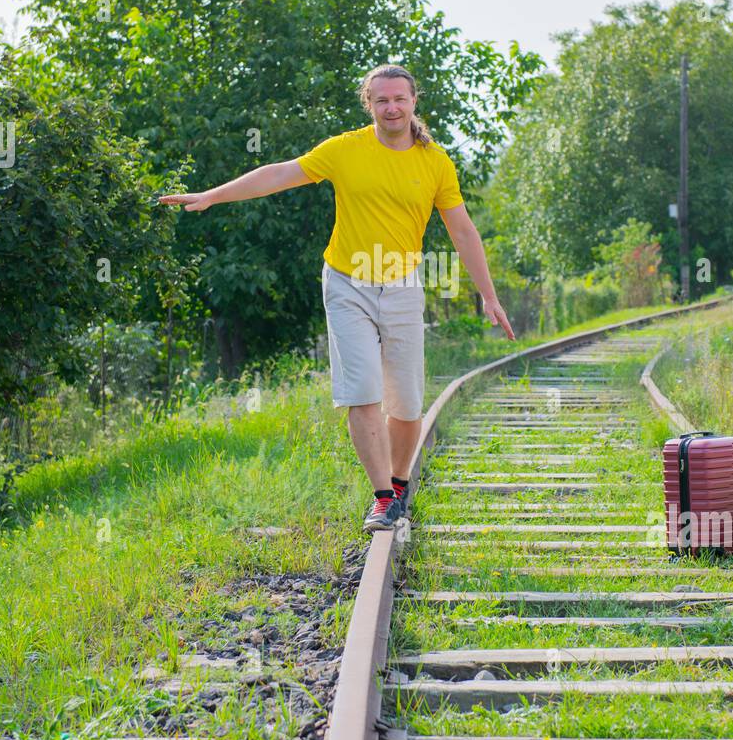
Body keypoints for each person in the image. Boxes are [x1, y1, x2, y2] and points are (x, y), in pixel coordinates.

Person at [159, 63, 514, 532]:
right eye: (381, 100)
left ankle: (399, 482)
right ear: (369, 104)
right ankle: (383, 498)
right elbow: (280, 174)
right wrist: (211, 196)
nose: (391, 108)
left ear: (413, 102)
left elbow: (463, 230)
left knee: (406, 405)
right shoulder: (345, 150)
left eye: (399, 99)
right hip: (347, 282)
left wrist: (488, 294)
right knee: (362, 392)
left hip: (403, 285)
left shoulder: (434, 161)